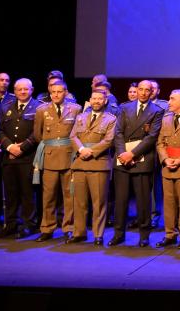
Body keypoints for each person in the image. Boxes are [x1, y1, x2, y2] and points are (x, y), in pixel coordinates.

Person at [111, 79, 163, 247]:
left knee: (143, 201)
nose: (142, 92)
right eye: (140, 89)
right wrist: (122, 153)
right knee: (121, 200)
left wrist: (132, 154)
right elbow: (117, 132)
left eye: (146, 90)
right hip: (122, 158)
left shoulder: (157, 111)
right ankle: (119, 234)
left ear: (151, 92)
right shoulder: (125, 108)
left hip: (142, 159)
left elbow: (151, 137)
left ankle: (144, 235)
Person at [33, 80, 82, 242]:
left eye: (59, 92)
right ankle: (47, 228)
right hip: (50, 156)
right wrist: (52, 146)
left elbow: (78, 133)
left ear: (65, 92)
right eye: (53, 92)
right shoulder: (41, 110)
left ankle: (68, 227)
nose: (56, 95)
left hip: (69, 156)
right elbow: (38, 134)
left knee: (70, 195)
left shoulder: (75, 109)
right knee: (48, 196)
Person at [68, 90, 117, 245]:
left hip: (99, 163)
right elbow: (73, 136)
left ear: (105, 101)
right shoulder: (80, 117)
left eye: (100, 99)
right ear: (90, 100)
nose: (96, 101)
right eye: (94, 98)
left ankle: (98, 234)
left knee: (99, 202)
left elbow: (109, 140)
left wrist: (91, 151)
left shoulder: (111, 119)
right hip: (80, 162)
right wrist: (82, 150)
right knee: (79, 202)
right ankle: (79, 233)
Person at [0, 78, 40, 238]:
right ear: (14, 91)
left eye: (26, 89)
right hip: (9, 157)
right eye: (19, 89)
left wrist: (22, 148)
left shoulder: (39, 107)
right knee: (10, 194)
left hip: (28, 157)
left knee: (27, 193)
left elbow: (38, 132)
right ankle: (11, 224)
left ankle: (29, 225)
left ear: (32, 89)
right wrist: (9, 147)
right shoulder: (5, 106)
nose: (23, 92)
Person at [155, 89, 180, 249]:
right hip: (168, 167)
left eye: (172, 99)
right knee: (169, 204)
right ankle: (169, 234)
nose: (169, 102)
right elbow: (160, 143)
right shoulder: (166, 118)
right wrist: (165, 159)